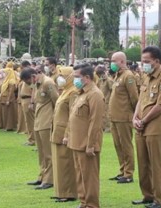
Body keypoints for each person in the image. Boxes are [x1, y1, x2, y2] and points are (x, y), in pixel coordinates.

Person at [132, 46, 161, 208]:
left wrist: (143, 120)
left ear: (157, 61)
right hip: (141, 126)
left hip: (155, 127)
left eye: (146, 62)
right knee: (142, 163)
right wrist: (135, 117)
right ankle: (147, 195)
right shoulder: (146, 77)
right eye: (142, 62)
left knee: (155, 164)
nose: (144, 65)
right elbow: (141, 101)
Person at [67, 64, 105, 208]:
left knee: (89, 177)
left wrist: (91, 144)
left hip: (86, 144)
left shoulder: (95, 94)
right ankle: (84, 202)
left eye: (77, 77)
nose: (74, 79)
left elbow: (95, 122)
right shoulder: (81, 93)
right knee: (80, 175)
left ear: (87, 78)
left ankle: (92, 204)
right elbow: (73, 118)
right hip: (76, 142)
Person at [21, 68, 58, 190]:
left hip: (47, 121)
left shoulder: (48, 83)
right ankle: (42, 176)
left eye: (28, 81)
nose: (28, 84)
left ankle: (50, 180)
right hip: (39, 121)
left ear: (33, 76)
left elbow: (56, 101)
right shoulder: (37, 84)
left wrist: (55, 120)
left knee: (48, 153)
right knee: (41, 153)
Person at [108, 51, 138, 184]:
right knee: (117, 145)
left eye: (114, 61)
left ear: (121, 61)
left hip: (124, 116)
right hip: (114, 117)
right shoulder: (117, 75)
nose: (112, 63)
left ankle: (129, 173)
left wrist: (133, 114)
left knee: (126, 145)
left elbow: (134, 97)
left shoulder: (128, 76)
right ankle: (122, 170)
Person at [51, 66, 78, 202]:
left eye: (63, 75)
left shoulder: (73, 92)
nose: (59, 78)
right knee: (58, 163)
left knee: (66, 163)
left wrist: (68, 133)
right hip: (57, 130)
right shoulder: (64, 91)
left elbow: (72, 116)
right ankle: (60, 191)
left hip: (64, 132)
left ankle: (68, 192)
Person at [0, 62, 17, 131]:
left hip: (8, 99)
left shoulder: (11, 81)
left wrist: (8, 100)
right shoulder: (6, 80)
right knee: (5, 113)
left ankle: (9, 127)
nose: (4, 74)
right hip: (4, 98)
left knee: (9, 113)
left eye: (5, 72)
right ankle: (6, 126)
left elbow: (11, 91)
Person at [95, 65, 113, 132]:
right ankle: (103, 127)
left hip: (107, 100)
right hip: (101, 100)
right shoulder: (100, 80)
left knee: (107, 114)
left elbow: (112, 90)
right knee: (102, 114)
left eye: (100, 74)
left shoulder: (109, 80)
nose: (99, 75)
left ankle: (108, 128)